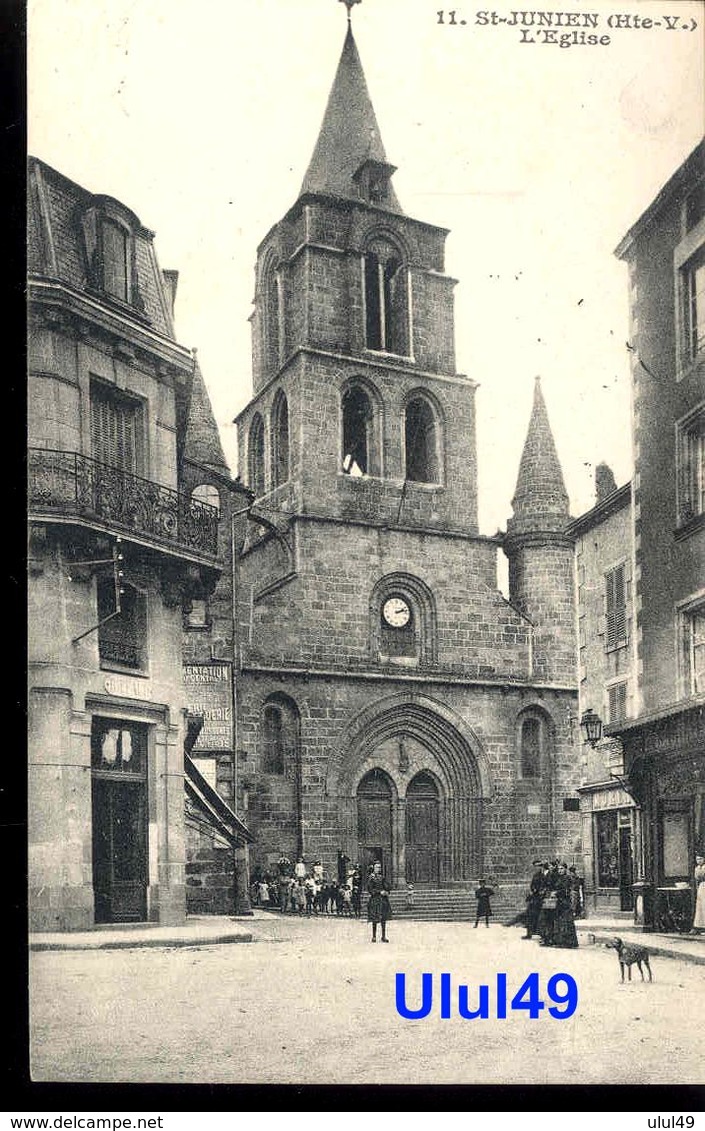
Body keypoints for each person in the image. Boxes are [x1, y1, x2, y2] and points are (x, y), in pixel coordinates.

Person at [551, 862, 579, 949]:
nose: (560, 870)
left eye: (562, 869)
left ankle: (568, 942)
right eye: (559, 869)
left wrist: (556, 893)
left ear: (565, 869)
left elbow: (566, 890)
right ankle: (560, 941)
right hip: (560, 902)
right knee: (560, 921)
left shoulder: (567, 878)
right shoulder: (559, 878)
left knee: (566, 921)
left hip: (565, 902)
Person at [367, 861, 392, 942]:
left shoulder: (382, 877)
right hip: (375, 900)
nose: (379, 869)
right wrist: (379, 892)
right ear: (373, 868)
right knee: (375, 918)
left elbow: (387, 886)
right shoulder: (371, 877)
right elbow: (370, 889)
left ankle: (383, 936)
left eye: (380, 867)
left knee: (383, 918)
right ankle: (374, 936)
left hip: (383, 900)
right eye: (377, 867)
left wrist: (387, 891)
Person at [522, 859, 545, 940]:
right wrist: (532, 890)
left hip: (539, 899)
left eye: (539, 866)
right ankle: (529, 933)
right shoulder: (535, 875)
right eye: (535, 866)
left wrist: (536, 891)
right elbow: (532, 885)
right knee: (529, 916)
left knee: (540, 917)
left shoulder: (542, 876)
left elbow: (543, 887)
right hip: (533, 898)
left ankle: (542, 934)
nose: (537, 868)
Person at [693, 853, 705, 933]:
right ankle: (701, 926)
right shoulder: (697, 868)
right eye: (697, 859)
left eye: (701, 859)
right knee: (701, 906)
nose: (699, 861)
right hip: (701, 887)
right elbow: (697, 879)